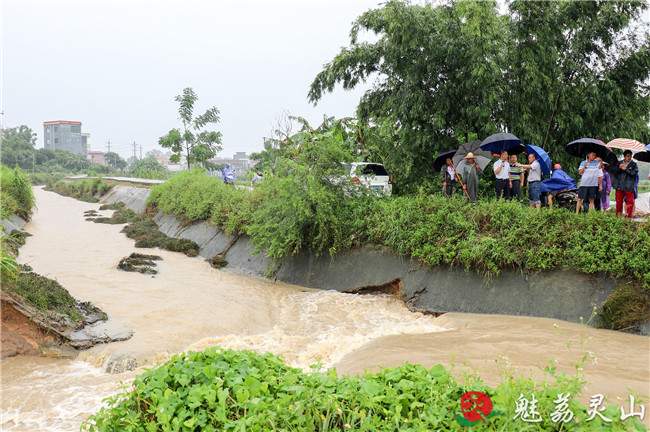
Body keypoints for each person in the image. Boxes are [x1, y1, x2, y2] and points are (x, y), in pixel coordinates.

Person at [611, 150, 638, 218]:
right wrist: (619, 168)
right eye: (628, 156)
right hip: (619, 186)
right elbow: (614, 172)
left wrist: (626, 169)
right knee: (618, 202)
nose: (629, 158)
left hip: (629, 186)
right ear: (624, 156)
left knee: (630, 202)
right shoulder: (619, 163)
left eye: (630, 156)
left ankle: (629, 217)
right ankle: (618, 217)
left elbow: (633, 173)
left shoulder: (634, 164)